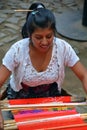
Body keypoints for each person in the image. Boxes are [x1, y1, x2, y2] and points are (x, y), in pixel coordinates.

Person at [0, 7, 87, 125]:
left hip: (51, 98)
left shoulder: (63, 48)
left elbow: (83, 75)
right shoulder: (18, 50)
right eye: (39, 37)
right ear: (30, 35)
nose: (45, 42)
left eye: (49, 36)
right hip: (22, 100)